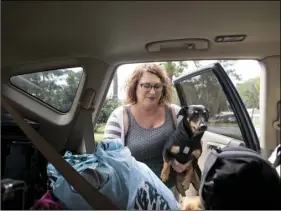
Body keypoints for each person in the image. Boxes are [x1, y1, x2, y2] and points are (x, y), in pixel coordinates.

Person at [103, 63, 189, 193]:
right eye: (146, 86)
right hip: (133, 194)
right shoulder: (120, 116)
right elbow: (109, 159)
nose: (153, 91)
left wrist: (184, 159)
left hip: (169, 194)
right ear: (135, 87)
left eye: (157, 86)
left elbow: (192, 142)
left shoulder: (176, 113)